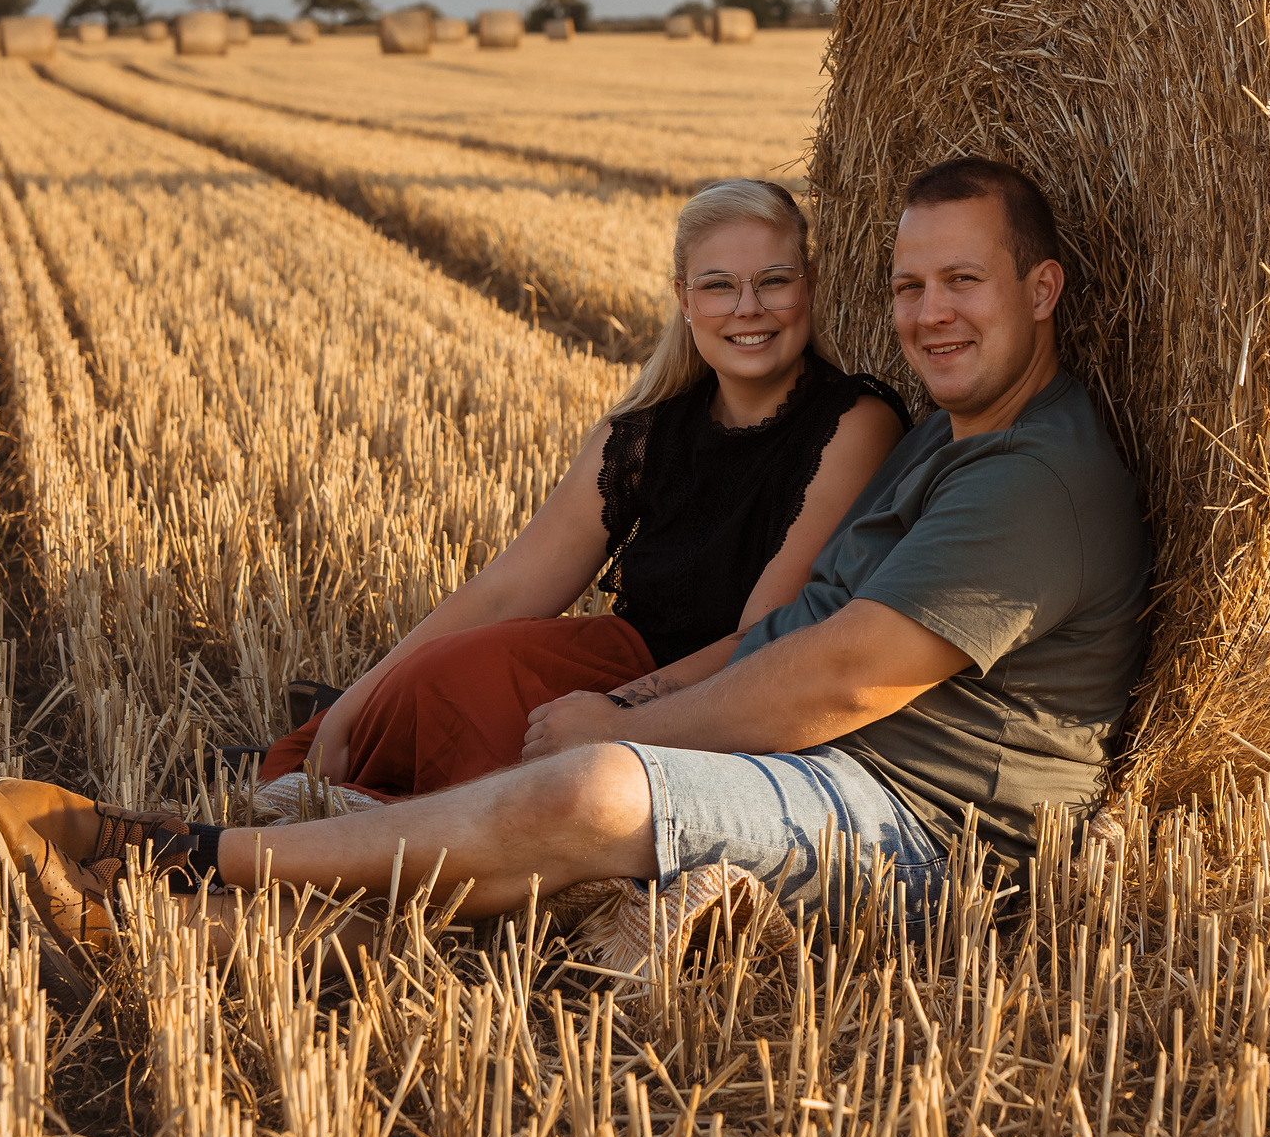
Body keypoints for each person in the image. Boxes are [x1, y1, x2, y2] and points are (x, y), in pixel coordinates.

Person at [0, 159, 1151, 994]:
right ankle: (194, 937)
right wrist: (597, 706)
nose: (930, 315)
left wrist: (623, 727)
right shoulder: (953, 430)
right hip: (831, 775)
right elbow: (789, 623)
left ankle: (167, 851)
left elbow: (827, 681)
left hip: (924, 835)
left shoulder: (1028, 478)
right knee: (546, 802)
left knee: (596, 799)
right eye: (909, 286)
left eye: (964, 283)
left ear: (1041, 291)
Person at [251, 176, 907, 813]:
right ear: (683, 298)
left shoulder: (852, 424)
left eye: (774, 280)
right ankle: (370, 770)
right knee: (448, 676)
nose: (748, 308)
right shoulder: (650, 430)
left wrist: (619, 713)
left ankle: (410, 814)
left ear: (811, 284)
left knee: (476, 701)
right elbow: (506, 590)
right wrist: (358, 701)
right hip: (618, 662)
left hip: (721, 703)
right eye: (718, 286)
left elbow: (765, 639)